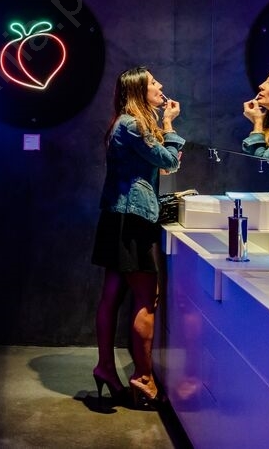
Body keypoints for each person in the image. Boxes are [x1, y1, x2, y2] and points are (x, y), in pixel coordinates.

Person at [92, 66, 183, 409]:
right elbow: (169, 161)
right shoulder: (134, 125)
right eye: (153, 83)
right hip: (133, 218)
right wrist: (169, 125)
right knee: (147, 297)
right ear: (138, 91)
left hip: (117, 216)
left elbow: (160, 164)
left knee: (111, 296)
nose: (161, 86)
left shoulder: (124, 123)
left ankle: (105, 368)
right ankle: (143, 378)